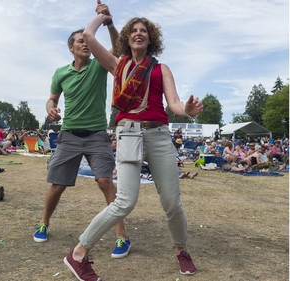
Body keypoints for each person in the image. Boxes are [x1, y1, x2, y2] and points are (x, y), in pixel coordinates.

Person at [63, 14, 203, 280]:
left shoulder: (162, 69)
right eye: (134, 31)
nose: (139, 33)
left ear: (151, 39)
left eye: (144, 31)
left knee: (172, 203)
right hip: (128, 135)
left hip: (160, 136)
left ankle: (181, 250)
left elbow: (173, 104)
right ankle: (78, 254)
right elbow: (90, 38)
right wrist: (102, 18)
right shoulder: (118, 66)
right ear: (127, 38)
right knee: (124, 202)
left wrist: (187, 109)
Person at [33, 1, 130, 259]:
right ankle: (44, 222)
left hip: (97, 135)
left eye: (86, 40)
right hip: (69, 135)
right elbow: (51, 98)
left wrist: (108, 22)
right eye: (79, 41)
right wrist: (50, 107)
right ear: (71, 47)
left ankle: (122, 236)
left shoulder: (99, 64)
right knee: (57, 185)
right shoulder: (60, 72)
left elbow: (119, 48)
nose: (85, 43)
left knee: (106, 182)